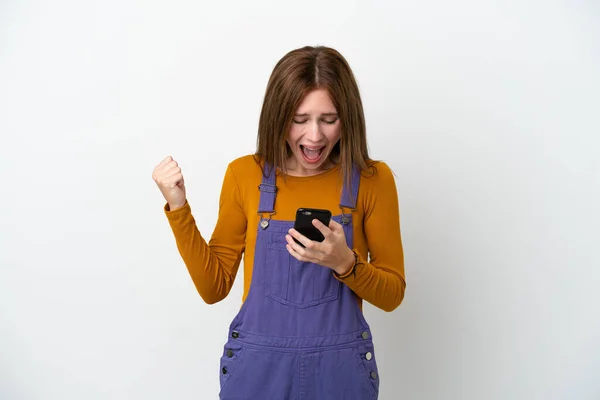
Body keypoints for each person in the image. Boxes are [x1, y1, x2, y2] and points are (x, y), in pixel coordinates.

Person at [152, 45, 406, 400]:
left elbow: (393, 294)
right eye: (299, 119)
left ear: (348, 117)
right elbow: (214, 287)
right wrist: (178, 207)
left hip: (340, 374)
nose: (315, 136)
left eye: (329, 119)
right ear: (277, 115)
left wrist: (345, 263)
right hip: (258, 374)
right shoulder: (244, 175)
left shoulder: (372, 179)